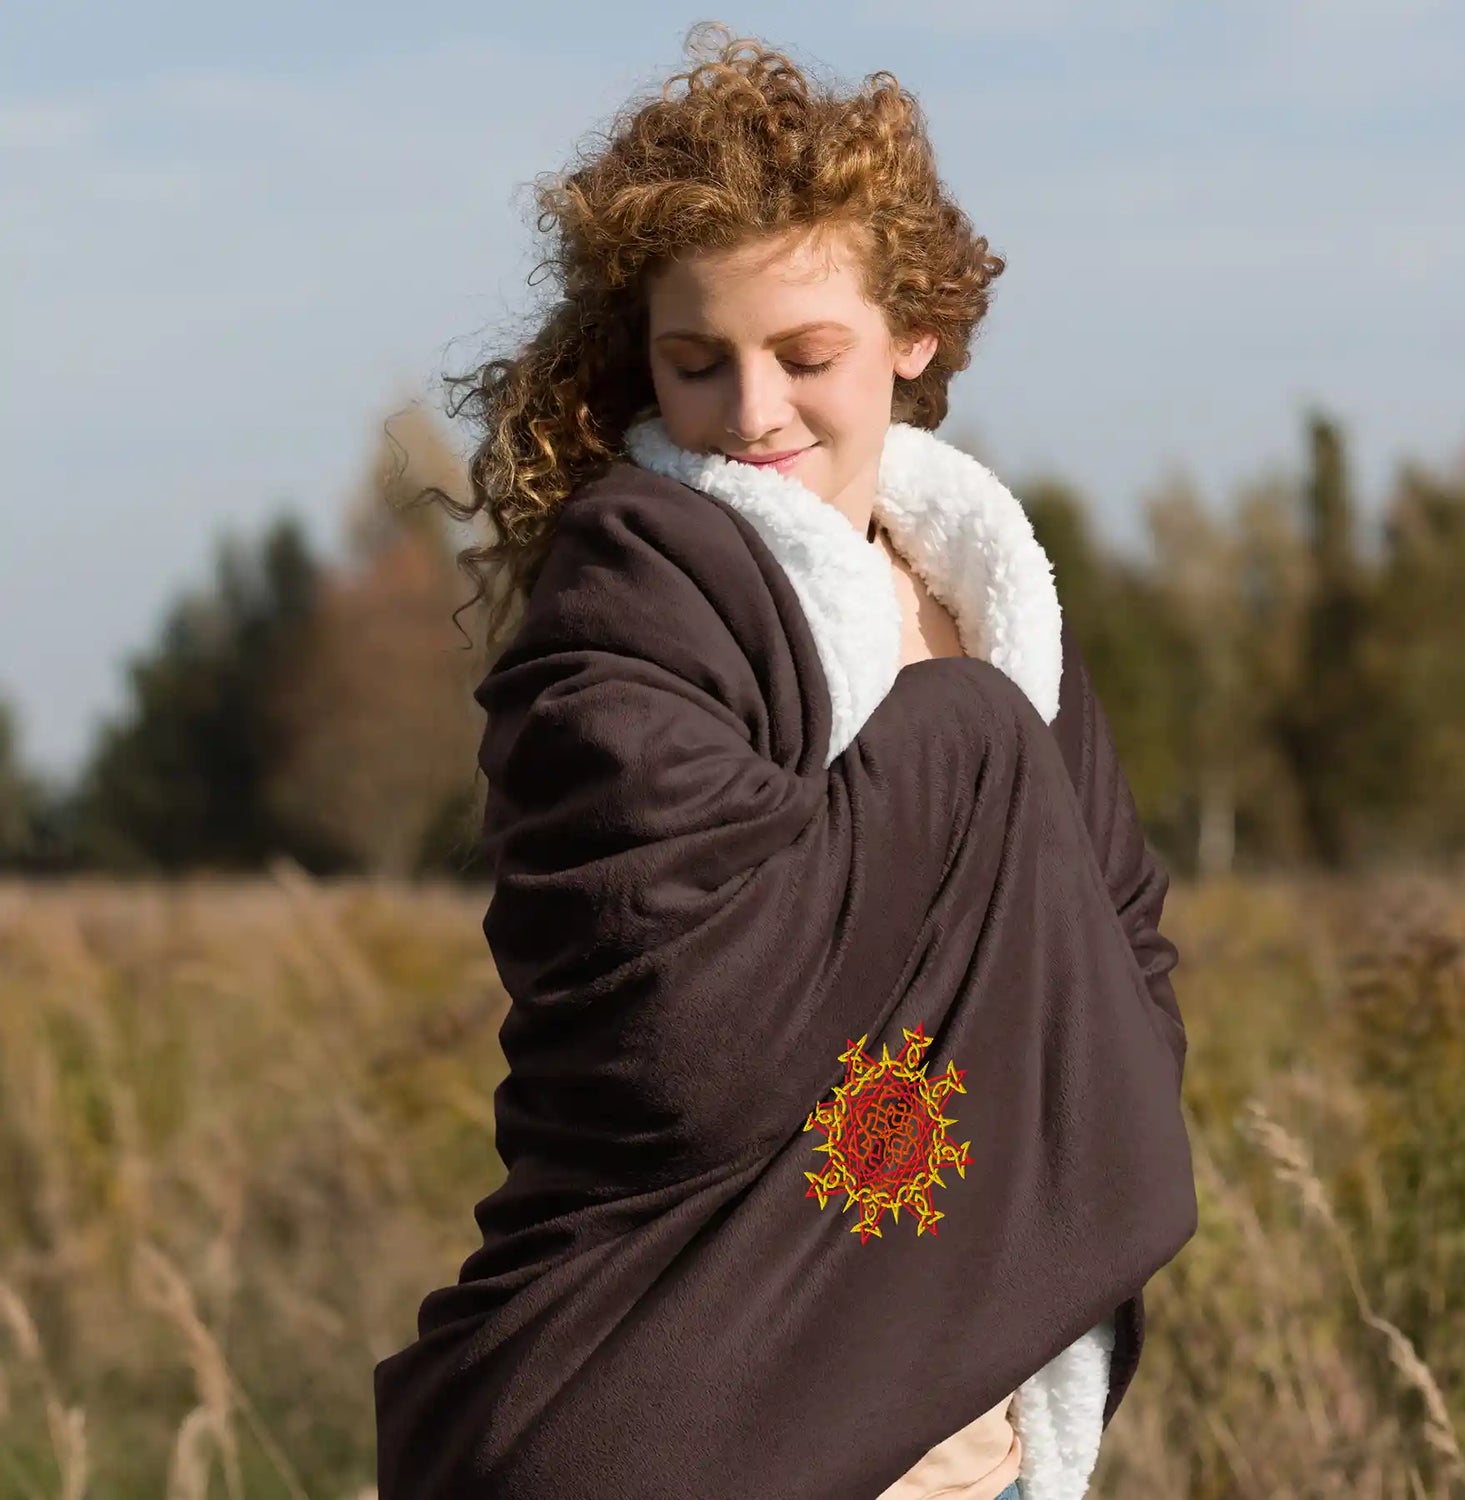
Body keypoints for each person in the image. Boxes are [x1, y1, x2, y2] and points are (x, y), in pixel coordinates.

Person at [374, 24, 1196, 1500]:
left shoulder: (992, 605)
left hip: (976, 1436)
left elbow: (1118, 951)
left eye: (805, 356)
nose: (751, 414)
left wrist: (1022, 1207)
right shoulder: (631, 594)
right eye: (697, 364)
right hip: (696, 1400)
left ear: (914, 336)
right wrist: (965, 751)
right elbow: (672, 1021)